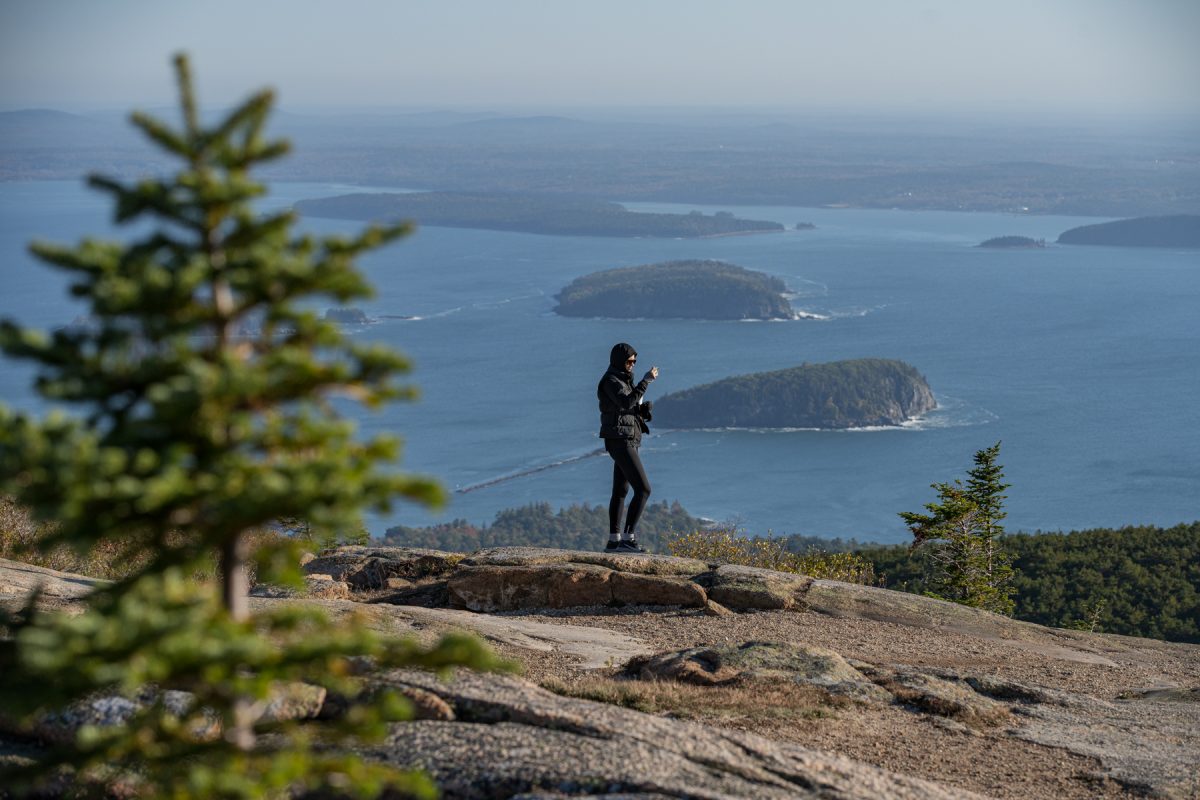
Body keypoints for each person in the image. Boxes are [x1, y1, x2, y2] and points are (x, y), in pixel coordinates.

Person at [597, 342, 659, 552]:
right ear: (619, 361)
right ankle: (627, 538)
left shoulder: (623, 380)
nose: (632, 364)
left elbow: (629, 406)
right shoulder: (611, 381)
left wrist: (643, 410)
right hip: (620, 441)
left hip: (627, 439)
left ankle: (614, 541)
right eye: (629, 361)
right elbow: (625, 403)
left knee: (621, 490)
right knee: (643, 489)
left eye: (634, 361)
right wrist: (645, 382)